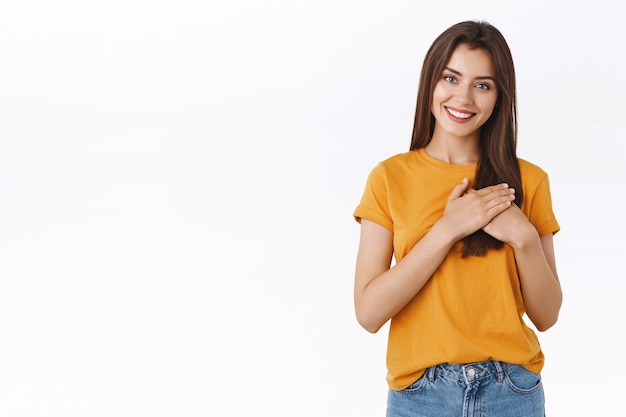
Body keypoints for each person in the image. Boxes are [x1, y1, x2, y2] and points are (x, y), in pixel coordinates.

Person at [353, 20, 562, 417]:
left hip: (511, 391)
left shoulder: (529, 181)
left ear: (500, 97)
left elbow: (547, 315)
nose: (463, 97)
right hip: (420, 395)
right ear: (431, 82)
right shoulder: (389, 178)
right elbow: (368, 313)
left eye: (482, 85)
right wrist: (446, 230)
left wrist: (525, 239)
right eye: (451, 78)